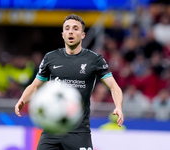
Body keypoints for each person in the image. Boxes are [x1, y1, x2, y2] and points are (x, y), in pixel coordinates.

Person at [15, 14, 124, 150]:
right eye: (67, 28)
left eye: (75, 28)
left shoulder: (94, 59)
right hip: (52, 129)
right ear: (63, 34)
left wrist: (118, 106)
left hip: (79, 132)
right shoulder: (51, 58)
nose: (71, 31)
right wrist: (23, 99)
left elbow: (114, 87)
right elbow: (35, 86)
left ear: (83, 35)